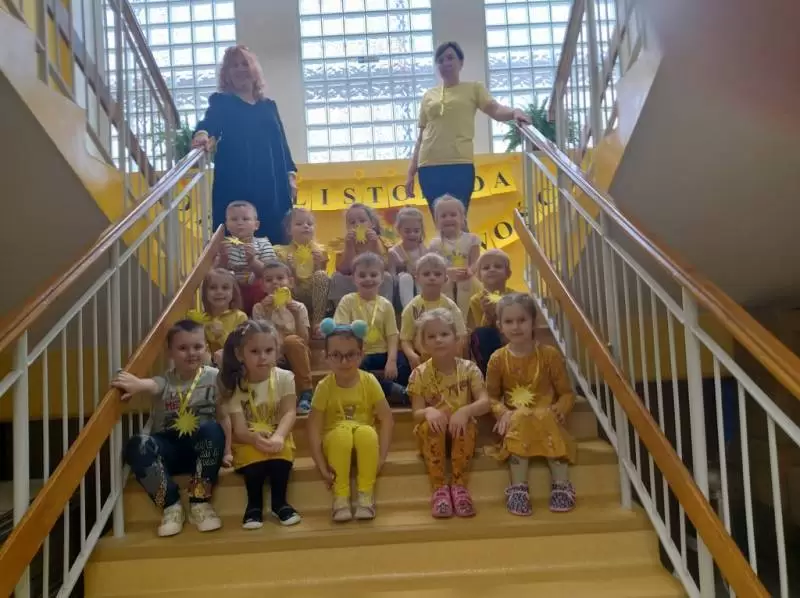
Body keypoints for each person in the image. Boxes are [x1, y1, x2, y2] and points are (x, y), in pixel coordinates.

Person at [111, 320, 228, 537]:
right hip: (169, 447)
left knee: (212, 429)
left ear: (206, 348)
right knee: (137, 444)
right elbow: (152, 385)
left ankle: (199, 502)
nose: (191, 353)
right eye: (182, 348)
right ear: (170, 352)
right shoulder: (165, 380)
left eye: (197, 346)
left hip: (202, 450)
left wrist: (228, 451)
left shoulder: (214, 377)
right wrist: (137, 384)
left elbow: (225, 414)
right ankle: (171, 506)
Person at [405, 41, 531, 212]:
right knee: (440, 219)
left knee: (458, 218)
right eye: (440, 60)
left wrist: (514, 112)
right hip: (428, 166)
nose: (445, 63)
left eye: (450, 58)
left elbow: (495, 110)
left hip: (460, 164)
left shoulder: (474, 88)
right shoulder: (428, 95)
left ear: (461, 62)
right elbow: (421, 137)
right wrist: (411, 172)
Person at [192, 45, 296, 244]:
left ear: (254, 69)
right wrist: (202, 133)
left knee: (275, 238)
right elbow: (209, 123)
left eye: (244, 64)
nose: (240, 69)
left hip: (272, 183)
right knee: (237, 241)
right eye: (234, 66)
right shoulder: (222, 102)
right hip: (237, 181)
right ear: (227, 73)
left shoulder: (269, 106)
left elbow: (282, 144)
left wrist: (290, 176)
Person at [486, 294, 577, 516]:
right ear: (500, 325)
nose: (516, 327)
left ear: (533, 322)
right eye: (509, 321)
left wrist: (561, 408)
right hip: (517, 420)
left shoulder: (549, 355)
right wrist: (502, 412)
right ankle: (518, 488)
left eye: (522, 320)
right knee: (520, 417)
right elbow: (490, 397)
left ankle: (562, 484)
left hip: (546, 417)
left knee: (546, 416)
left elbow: (567, 393)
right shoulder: (497, 359)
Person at [307, 320, 394, 522]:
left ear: (361, 355)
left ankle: (366, 495)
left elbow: (387, 419)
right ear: (326, 357)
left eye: (351, 354)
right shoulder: (324, 386)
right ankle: (341, 497)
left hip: (364, 442)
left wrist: (381, 458)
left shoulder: (369, 381)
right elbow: (313, 427)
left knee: (366, 433)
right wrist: (321, 466)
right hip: (336, 442)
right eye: (336, 355)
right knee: (342, 435)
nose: (344, 361)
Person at [218, 320, 302, 529]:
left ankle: (280, 503)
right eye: (255, 351)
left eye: (268, 351)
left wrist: (279, 436)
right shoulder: (236, 385)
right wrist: (253, 439)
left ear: (277, 352)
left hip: (277, 434)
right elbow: (239, 429)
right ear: (240, 354)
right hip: (248, 439)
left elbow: (289, 412)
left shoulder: (285, 378)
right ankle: (254, 506)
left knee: (280, 460)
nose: (262, 357)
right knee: (254, 462)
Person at [408, 308, 490, 518]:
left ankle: (459, 486)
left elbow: (485, 402)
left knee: (467, 425)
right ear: (423, 343)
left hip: (460, 431)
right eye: (431, 336)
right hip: (434, 432)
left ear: (456, 338)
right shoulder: (419, 374)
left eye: (444, 334)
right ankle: (439, 488)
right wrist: (428, 411)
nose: (438, 340)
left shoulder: (469, 369)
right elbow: (416, 413)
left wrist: (465, 410)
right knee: (429, 427)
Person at [334, 252, 410, 406]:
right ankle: (393, 391)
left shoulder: (386, 305)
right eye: (362, 275)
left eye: (373, 275)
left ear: (382, 278)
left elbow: (392, 335)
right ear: (354, 279)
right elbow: (341, 329)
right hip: (360, 353)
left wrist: (391, 361)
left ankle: (383, 391)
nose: (368, 279)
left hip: (382, 352)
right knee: (353, 368)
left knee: (404, 363)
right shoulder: (347, 301)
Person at [251, 260, 314, 413]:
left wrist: (296, 316)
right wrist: (267, 314)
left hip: (297, 352)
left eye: (280, 278)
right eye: (269, 280)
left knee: (291, 341)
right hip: (271, 352)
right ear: (262, 286)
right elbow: (260, 340)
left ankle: (306, 393)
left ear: (290, 282)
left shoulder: (299, 307)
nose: (275, 283)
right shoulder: (259, 308)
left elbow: (304, 340)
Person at [399, 252, 467, 369]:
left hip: (447, 358)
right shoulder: (412, 307)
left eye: (437, 274)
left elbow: (461, 335)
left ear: (445, 279)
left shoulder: (450, 306)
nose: (432, 277)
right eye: (426, 274)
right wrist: (412, 356)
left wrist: (453, 355)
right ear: (417, 278)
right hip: (422, 360)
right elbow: (405, 339)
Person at [275, 207, 330, 338]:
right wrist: (291, 269)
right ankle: (288, 324)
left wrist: (318, 265)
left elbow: (321, 285)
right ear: (289, 230)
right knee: (280, 282)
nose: (305, 226)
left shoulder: (320, 251)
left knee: (321, 275)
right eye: (299, 224)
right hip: (292, 292)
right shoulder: (280, 251)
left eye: (309, 224)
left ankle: (318, 324)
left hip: (313, 295)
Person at [216, 200, 277, 315]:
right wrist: (223, 259)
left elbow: (270, 273)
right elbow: (217, 273)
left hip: (257, 290)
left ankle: (259, 317)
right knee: (221, 285)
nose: (240, 223)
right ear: (227, 225)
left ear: (256, 225)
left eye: (245, 219)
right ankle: (232, 317)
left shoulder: (263, 243)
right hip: (232, 290)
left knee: (262, 284)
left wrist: (253, 261)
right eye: (234, 219)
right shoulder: (223, 245)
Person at [329, 202, 394, 305]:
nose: (357, 225)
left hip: (374, 281)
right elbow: (344, 270)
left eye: (362, 221)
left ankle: (383, 308)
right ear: (347, 227)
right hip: (353, 282)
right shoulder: (343, 243)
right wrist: (349, 247)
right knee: (337, 277)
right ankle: (342, 309)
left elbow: (384, 267)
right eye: (352, 222)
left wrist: (374, 245)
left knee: (387, 277)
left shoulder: (382, 242)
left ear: (372, 224)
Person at [428, 195, 482, 319]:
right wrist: (447, 272)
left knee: (465, 282)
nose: (448, 219)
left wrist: (470, 271)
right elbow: (434, 267)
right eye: (443, 216)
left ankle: (462, 320)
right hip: (445, 278)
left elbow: (476, 262)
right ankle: (449, 318)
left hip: (467, 278)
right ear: (436, 221)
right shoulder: (435, 244)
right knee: (445, 283)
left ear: (462, 218)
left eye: (453, 215)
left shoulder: (472, 239)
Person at [468, 249, 513, 374]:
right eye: (486, 267)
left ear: (508, 273)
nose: (492, 269)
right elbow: (480, 333)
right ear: (479, 276)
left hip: (513, 337)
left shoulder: (515, 297)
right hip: (490, 343)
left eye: (497, 266)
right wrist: (487, 314)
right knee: (482, 333)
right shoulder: (476, 300)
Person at [190, 267, 247, 366]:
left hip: (233, 365)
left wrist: (221, 335)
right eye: (213, 288)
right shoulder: (202, 319)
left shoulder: (240, 317)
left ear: (233, 292)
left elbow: (240, 350)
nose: (219, 292)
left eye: (225, 288)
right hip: (208, 366)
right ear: (205, 293)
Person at [388, 206, 427, 308]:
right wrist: (402, 270)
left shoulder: (423, 250)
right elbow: (392, 277)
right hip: (402, 286)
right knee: (406, 277)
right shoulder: (394, 252)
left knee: (421, 278)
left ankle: (422, 307)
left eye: (416, 231)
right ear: (399, 230)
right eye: (407, 231)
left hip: (419, 281)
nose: (412, 234)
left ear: (421, 230)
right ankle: (409, 310)